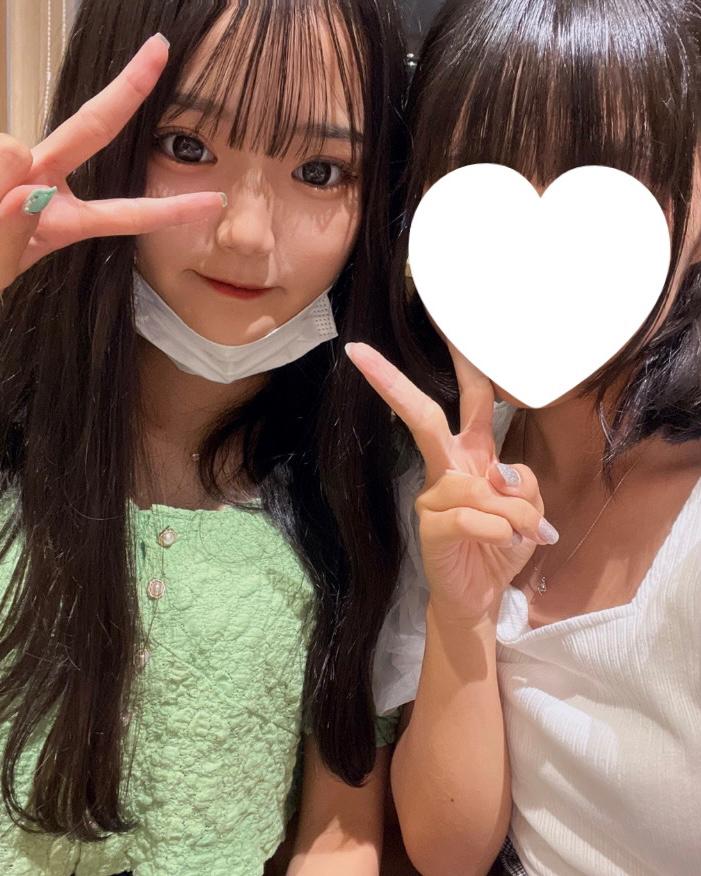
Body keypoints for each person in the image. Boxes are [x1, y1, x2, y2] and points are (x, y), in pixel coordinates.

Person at [0, 1, 409, 873]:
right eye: (186, 147)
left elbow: (340, 829)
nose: (247, 235)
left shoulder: (362, 486)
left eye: (320, 170)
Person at [349, 0, 701, 873]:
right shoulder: (443, 480)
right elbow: (449, 850)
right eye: (482, 176)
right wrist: (462, 614)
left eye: (606, 179)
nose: (537, 255)